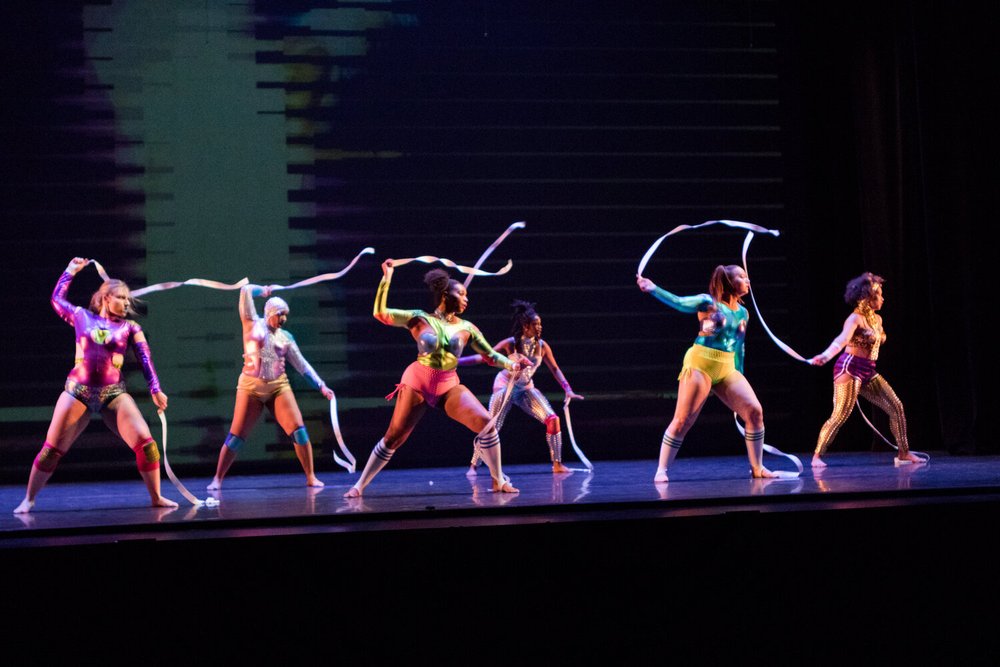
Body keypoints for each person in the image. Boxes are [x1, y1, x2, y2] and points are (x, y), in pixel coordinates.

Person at [344, 260, 527, 497]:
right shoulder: (418, 318)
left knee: (486, 424)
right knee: (393, 438)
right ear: (445, 293)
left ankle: (498, 480)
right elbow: (380, 313)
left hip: (448, 384)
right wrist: (387, 277)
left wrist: (512, 363)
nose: (466, 298)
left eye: (467, 295)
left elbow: (490, 356)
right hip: (418, 381)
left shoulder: (467, 327)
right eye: (461, 293)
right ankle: (360, 486)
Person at [14, 257, 177, 513]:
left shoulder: (130, 328)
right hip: (77, 391)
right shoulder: (81, 317)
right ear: (104, 298)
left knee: (147, 446)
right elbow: (57, 300)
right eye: (121, 298)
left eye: (127, 299)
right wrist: (69, 271)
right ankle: (29, 499)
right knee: (51, 451)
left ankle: (156, 496)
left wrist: (155, 389)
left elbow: (146, 359)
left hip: (113, 394)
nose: (126, 303)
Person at [637, 265, 776, 482]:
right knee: (684, 420)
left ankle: (757, 468)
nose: (748, 280)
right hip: (701, 362)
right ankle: (662, 469)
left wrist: (739, 374)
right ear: (729, 282)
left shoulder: (743, 313)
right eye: (742, 276)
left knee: (754, 412)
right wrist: (653, 288)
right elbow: (680, 302)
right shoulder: (708, 302)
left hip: (727, 366)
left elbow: (739, 346)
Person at [207, 283, 334, 490]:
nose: (283, 319)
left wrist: (322, 386)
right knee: (236, 438)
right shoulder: (250, 324)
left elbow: (302, 366)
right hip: (250, 388)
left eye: (286, 315)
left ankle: (310, 476)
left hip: (278, 387)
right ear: (269, 313)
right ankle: (217, 479)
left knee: (299, 432)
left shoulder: (286, 338)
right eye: (280, 314)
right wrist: (264, 290)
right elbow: (245, 290)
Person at [809, 272, 922, 467]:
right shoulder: (855, 319)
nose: (883, 298)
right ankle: (816, 457)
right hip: (849, 367)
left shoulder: (877, 320)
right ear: (866, 298)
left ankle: (904, 453)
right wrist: (826, 355)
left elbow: (880, 338)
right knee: (841, 414)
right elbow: (842, 339)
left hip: (868, 369)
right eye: (878, 294)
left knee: (896, 406)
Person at [459, 299, 582, 474]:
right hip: (505, 386)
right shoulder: (510, 343)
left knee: (553, 419)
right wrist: (457, 362)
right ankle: (474, 465)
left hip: (525, 388)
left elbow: (555, 368)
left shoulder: (542, 346)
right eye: (535, 324)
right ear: (525, 326)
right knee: (491, 425)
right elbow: (485, 357)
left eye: (540, 323)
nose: (539, 327)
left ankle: (557, 464)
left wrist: (567, 389)